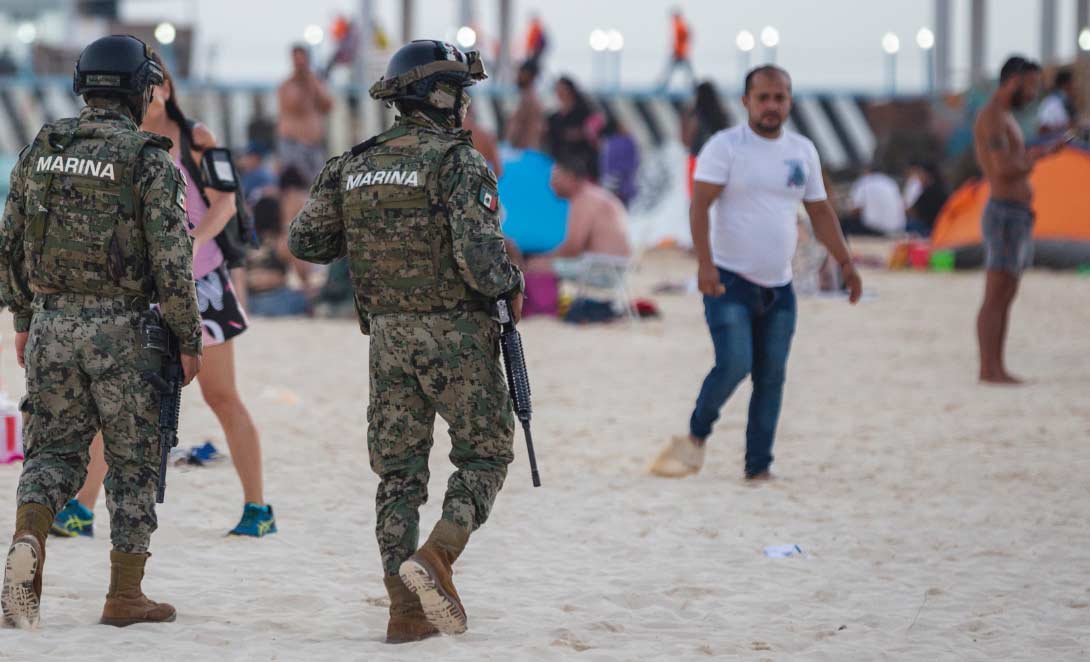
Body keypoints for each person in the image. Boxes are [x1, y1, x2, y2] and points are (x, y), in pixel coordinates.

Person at [288, 40, 524, 643]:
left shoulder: (355, 163)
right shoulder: (457, 161)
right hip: (457, 336)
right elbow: (480, 260)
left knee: (397, 476)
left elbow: (306, 243)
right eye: (462, 94)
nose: (467, 106)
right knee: (486, 453)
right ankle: (439, 555)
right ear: (443, 97)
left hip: (387, 339)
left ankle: (403, 611)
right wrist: (512, 282)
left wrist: (373, 228)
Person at [0, 35, 203, 628]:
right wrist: (189, 338)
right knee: (134, 462)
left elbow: (9, 242)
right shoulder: (147, 158)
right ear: (139, 91)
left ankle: (29, 543)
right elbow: (172, 259)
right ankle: (124, 595)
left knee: (52, 453)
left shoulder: (43, 147)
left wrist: (23, 318)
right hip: (125, 332)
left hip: (52, 322)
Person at [58, 51, 276, 538]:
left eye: (156, 85)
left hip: (204, 283)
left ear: (167, 90)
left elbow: (226, 201)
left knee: (222, 396)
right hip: (143, 289)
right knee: (113, 399)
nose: (148, 94)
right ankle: (82, 509)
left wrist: (192, 242)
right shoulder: (123, 143)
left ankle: (258, 509)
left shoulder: (198, 138)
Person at [648, 65, 862, 481]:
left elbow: (820, 213)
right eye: (762, 97)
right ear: (746, 102)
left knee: (772, 377)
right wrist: (705, 265)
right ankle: (695, 436)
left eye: (779, 98)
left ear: (790, 102)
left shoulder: (802, 151)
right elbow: (700, 207)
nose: (771, 106)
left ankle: (758, 466)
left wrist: (847, 262)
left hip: (780, 286)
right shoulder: (724, 147)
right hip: (728, 281)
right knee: (734, 363)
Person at [973, 56, 1056, 384]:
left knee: (1006, 293)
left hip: (1015, 213)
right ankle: (988, 367)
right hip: (1004, 212)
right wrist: (1037, 157)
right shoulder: (993, 117)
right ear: (1014, 80)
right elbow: (1003, 168)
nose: (1034, 92)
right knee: (996, 295)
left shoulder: (1005, 116)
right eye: (1032, 84)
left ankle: (996, 365)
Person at [530, 156, 631, 277]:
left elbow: (572, 248)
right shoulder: (594, 195)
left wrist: (544, 259)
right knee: (540, 264)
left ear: (570, 177)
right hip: (616, 267)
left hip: (602, 269)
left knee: (535, 266)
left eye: (555, 177)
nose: (551, 183)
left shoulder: (583, 199)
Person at [278, 44, 333, 184]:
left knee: (319, 184)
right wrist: (304, 82)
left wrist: (313, 81)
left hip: (314, 145)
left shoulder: (314, 82)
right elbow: (296, 105)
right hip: (294, 144)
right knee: (298, 185)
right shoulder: (287, 85)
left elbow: (328, 105)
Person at [245, 196, 309, 317]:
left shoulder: (246, 241)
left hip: (250, 300)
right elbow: (303, 274)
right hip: (278, 300)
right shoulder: (283, 241)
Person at [545, 76, 603, 181]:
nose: (560, 93)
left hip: (583, 162)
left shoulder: (585, 111)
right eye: (557, 89)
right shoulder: (553, 117)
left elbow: (596, 132)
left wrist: (581, 133)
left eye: (562, 89)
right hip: (560, 162)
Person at [683, 81, 729, 195]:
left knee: (697, 200)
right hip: (718, 161)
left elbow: (686, 141)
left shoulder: (695, 116)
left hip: (697, 161)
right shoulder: (722, 115)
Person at [840, 165, 907, 236]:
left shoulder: (864, 181)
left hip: (874, 229)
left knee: (845, 223)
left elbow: (855, 210)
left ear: (867, 172)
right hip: (897, 228)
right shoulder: (891, 182)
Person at [505, 60, 546, 151]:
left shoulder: (529, 99)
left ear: (528, 75)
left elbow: (516, 126)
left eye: (521, 73)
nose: (517, 76)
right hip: (528, 149)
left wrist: (507, 145)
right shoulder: (530, 97)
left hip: (524, 150)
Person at [599, 118, 640, 208]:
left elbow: (605, 167)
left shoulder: (608, 144)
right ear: (618, 128)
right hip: (622, 185)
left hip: (610, 185)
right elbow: (633, 163)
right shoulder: (627, 141)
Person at [902, 161, 949, 237]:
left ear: (927, 175)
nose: (919, 178)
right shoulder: (941, 188)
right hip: (941, 227)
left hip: (930, 229)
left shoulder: (930, 191)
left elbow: (912, 211)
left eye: (920, 174)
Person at [659, 8, 695, 90]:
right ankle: (693, 84)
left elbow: (683, 37)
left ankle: (663, 84)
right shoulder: (679, 24)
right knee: (685, 69)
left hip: (680, 52)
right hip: (681, 51)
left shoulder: (679, 25)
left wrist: (677, 49)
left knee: (671, 69)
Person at [1037, 66, 1076, 138]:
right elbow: (1043, 128)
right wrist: (1069, 126)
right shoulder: (1052, 102)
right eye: (1073, 82)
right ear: (1066, 84)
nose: (1075, 86)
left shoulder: (1065, 101)